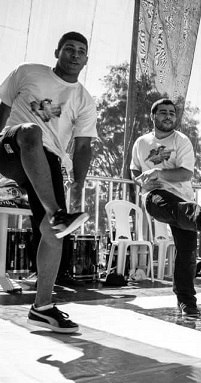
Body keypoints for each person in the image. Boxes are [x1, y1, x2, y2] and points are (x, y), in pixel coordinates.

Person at [0, 32, 97, 333]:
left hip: (48, 160)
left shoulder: (84, 100)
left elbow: (82, 147)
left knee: (53, 233)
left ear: (86, 59)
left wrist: (78, 186)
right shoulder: (26, 72)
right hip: (11, 146)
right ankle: (57, 213)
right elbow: (1, 110)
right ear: (57, 51)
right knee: (30, 132)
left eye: (81, 51)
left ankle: (41, 307)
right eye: (69, 49)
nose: (75, 54)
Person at [131, 98, 201, 316]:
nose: (168, 116)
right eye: (163, 112)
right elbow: (134, 171)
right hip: (154, 196)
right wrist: (142, 181)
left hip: (182, 199)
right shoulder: (141, 142)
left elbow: (186, 173)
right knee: (164, 205)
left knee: (187, 252)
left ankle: (187, 302)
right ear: (153, 116)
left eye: (172, 113)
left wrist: (158, 173)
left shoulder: (181, 141)